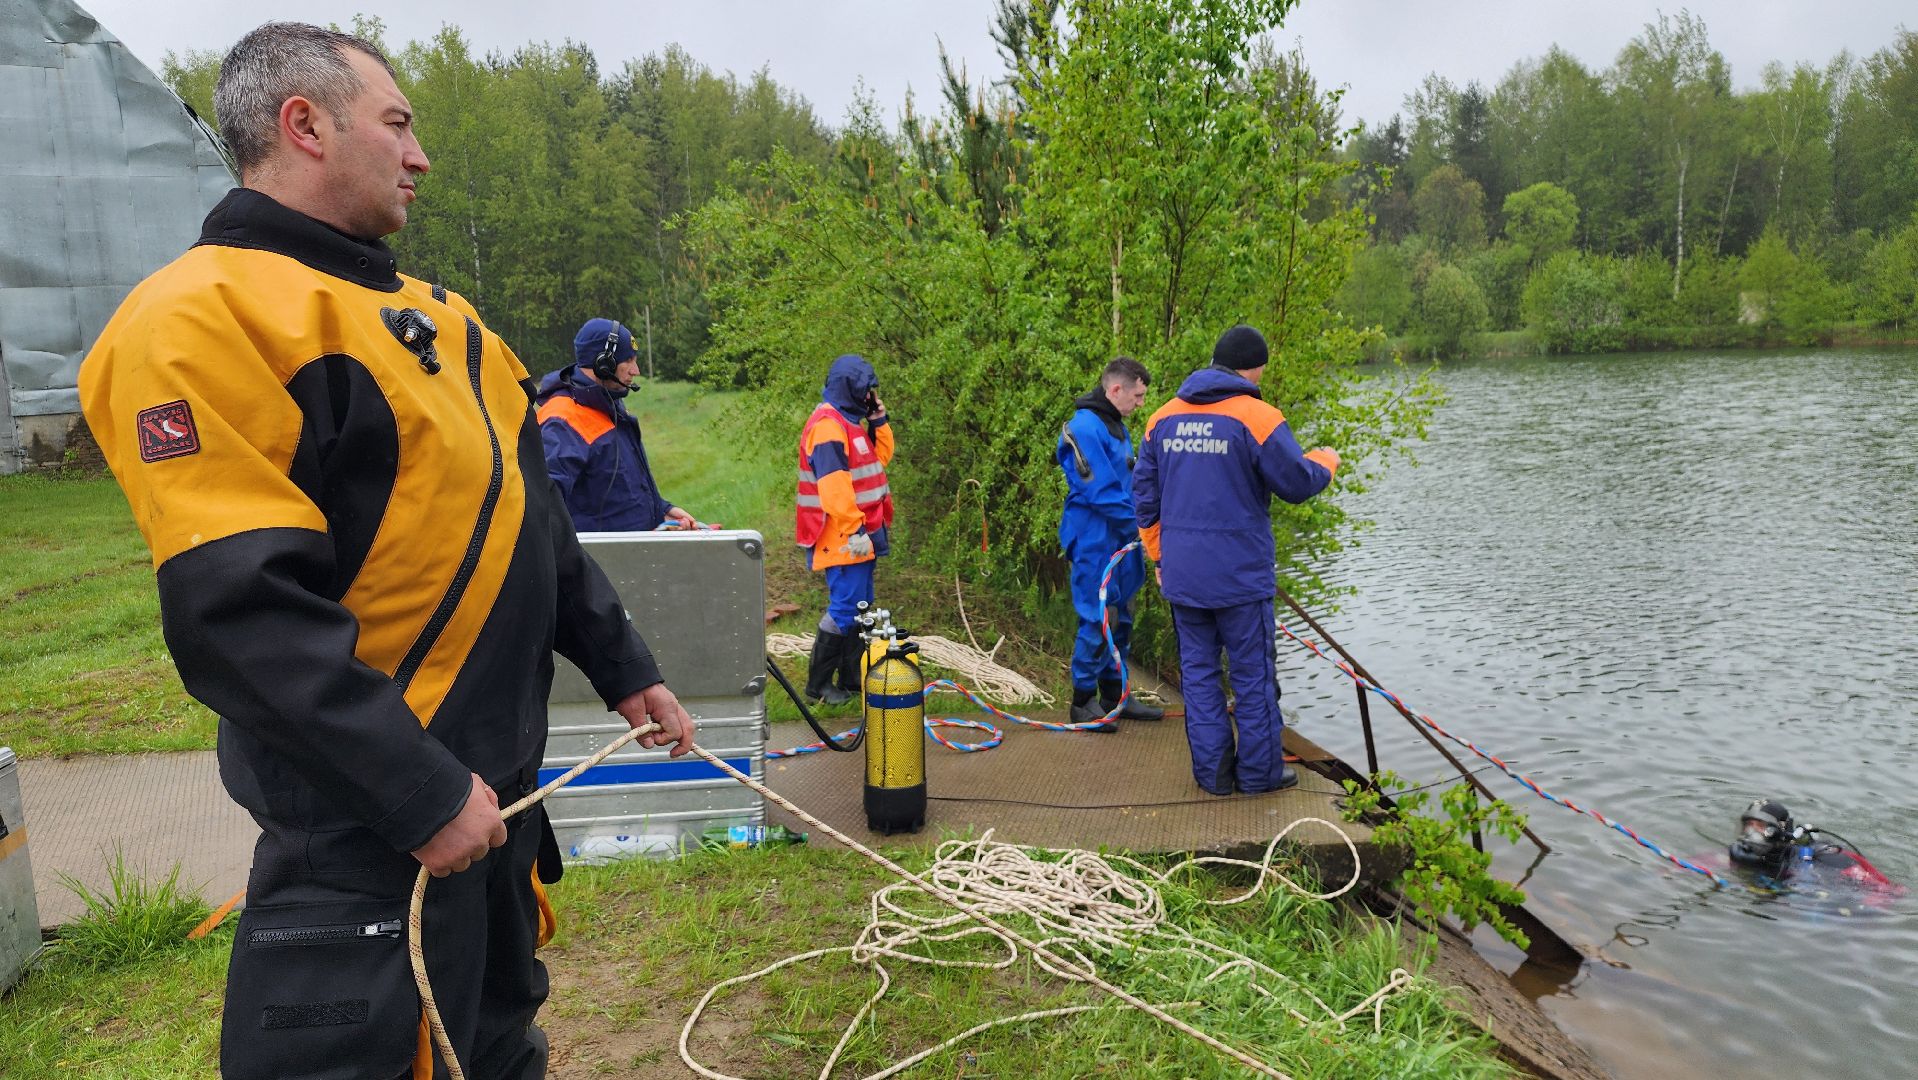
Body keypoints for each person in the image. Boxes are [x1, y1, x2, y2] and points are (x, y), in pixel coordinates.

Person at [76, 23, 694, 1080]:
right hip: (366, 831)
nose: (421, 156)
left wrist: (624, 666)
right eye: (398, 124)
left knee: (495, 1047)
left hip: (492, 806)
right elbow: (241, 614)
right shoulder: (197, 319)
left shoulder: (449, 324)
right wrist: (417, 793)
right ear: (304, 125)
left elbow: (534, 524)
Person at [1132, 325, 1340, 796]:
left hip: (1184, 576)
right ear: (1253, 368)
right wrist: (1325, 461)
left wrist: (1161, 557)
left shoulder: (1162, 418)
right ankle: (1260, 775)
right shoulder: (1257, 416)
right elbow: (1296, 482)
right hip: (1241, 579)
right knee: (1252, 678)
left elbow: (1144, 498)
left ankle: (1213, 776)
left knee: (1199, 676)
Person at [1057, 356, 1165, 730]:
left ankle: (1115, 693)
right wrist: (1142, 528)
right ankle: (1082, 701)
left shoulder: (1115, 425)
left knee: (1123, 616)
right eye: (1138, 396)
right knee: (1098, 616)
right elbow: (1100, 490)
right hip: (1094, 537)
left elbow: (1129, 480)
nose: (1141, 403)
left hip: (1121, 536)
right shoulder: (1085, 428)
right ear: (1116, 389)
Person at [536, 318, 699, 532]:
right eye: (628, 361)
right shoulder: (561, 422)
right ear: (603, 364)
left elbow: (622, 489)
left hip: (632, 548)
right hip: (600, 552)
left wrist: (662, 510)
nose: (636, 370)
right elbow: (544, 510)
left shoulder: (609, 404)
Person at [795, 353, 893, 705]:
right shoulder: (828, 427)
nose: (869, 396)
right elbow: (834, 488)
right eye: (865, 391)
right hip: (842, 535)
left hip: (861, 532)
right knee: (845, 607)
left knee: (861, 606)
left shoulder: (850, 423)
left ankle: (851, 679)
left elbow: (879, 460)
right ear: (850, 389)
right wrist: (854, 530)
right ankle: (818, 686)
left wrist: (879, 421)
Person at [1728, 799, 1904, 903]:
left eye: (1760, 826)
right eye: (1748, 825)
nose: (1751, 832)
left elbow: (1888, 892)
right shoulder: (1743, 853)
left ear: (1778, 830)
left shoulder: (1822, 857)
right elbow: (1715, 862)